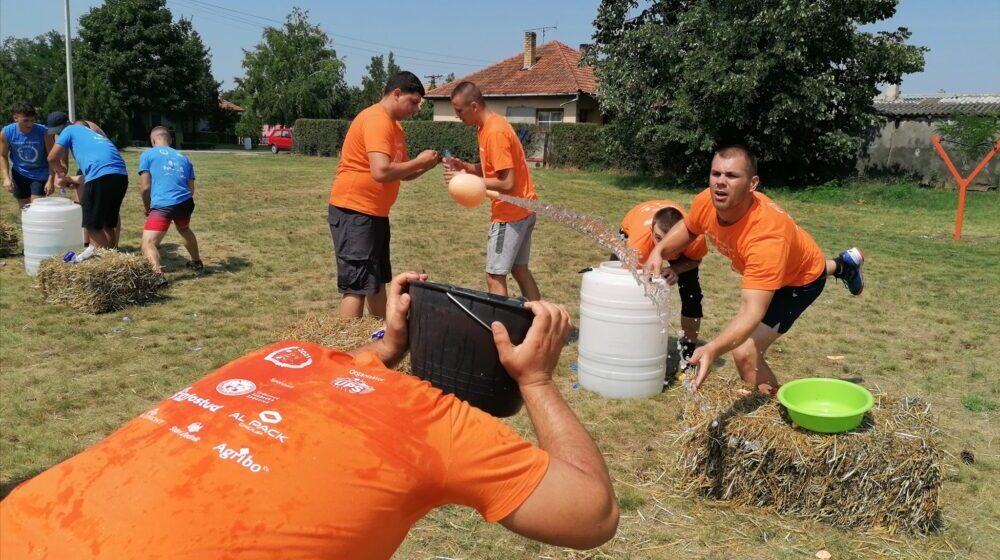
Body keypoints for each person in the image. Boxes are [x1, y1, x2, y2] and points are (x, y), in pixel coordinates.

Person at [0, 272, 620, 557]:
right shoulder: (436, 425)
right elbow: (592, 515)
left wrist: (387, 344)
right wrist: (537, 380)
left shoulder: (287, 359)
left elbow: (348, 369)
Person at [643, 145, 864, 394]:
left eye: (732, 176)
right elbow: (690, 228)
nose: (720, 183)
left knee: (745, 351)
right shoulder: (707, 200)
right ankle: (843, 265)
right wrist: (658, 250)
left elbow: (751, 311)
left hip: (798, 282)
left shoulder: (767, 238)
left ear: (752, 183)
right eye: (716, 174)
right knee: (798, 266)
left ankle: (773, 414)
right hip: (792, 260)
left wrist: (713, 348)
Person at [328, 71, 441, 320]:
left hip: (375, 214)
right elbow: (381, 171)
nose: (416, 109)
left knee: (376, 281)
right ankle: (347, 351)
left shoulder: (396, 128)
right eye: (414, 102)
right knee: (356, 286)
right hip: (354, 211)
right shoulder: (376, 120)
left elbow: (399, 173)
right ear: (397, 94)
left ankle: (383, 338)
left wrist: (424, 165)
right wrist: (419, 161)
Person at [444, 81, 541, 301]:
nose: (457, 116)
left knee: (494, 276)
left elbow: (506, 182)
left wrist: (465, 179)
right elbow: (494, 170)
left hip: (510, 214)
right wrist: (467, 168)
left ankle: (501, 330)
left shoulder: (495, 132)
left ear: (474, 106)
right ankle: (541, 322)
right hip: (524, 208)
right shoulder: (487, 126)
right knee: (519, 270)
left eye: (459, 110)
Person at [620, 200, 709, 363]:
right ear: (651, 231)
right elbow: (628, 280)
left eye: (669, 241)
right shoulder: (639, 245)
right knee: (623, 283)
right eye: (658, 238)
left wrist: (676, 269)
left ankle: (689, 351)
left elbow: (696, 260)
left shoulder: (693, 238)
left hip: (671, 221)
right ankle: (622, 337)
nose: (663, 246)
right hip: (634, 221)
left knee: (692, 295)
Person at [47, 118, 128, 249]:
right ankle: (113, 259)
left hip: (100, 177)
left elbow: (51, 157)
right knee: (107, 224)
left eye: (59, 131)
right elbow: (93, 174)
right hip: (121, 176)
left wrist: (59, 170)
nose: (59, 134)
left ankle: (103, 261)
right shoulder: (93, 136)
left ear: (68, 123)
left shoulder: (70, 129)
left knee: (92, 226)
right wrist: (68, 180)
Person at [138, 126, 202, 276]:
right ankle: (197, 262)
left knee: (148, 243)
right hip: (185, 203)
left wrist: (148, 208)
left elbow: (145, 188)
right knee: (184, 229)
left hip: (163, 206)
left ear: (153, 140)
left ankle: (157, 276)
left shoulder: (147, 155)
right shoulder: (184, 158)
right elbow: (191, 189)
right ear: (170, 140)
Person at [1, 102, 53, 208]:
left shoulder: (44, 132)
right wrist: (6, 177)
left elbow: (52, 157)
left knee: (37, 208)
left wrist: (51, 180)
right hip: (19, 173)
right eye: (25, 120)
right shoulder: (6, 132)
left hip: (40, 173)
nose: (30, 124)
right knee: (24, 208)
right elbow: (2, 155)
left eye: (32, 120)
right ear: (15, 118)